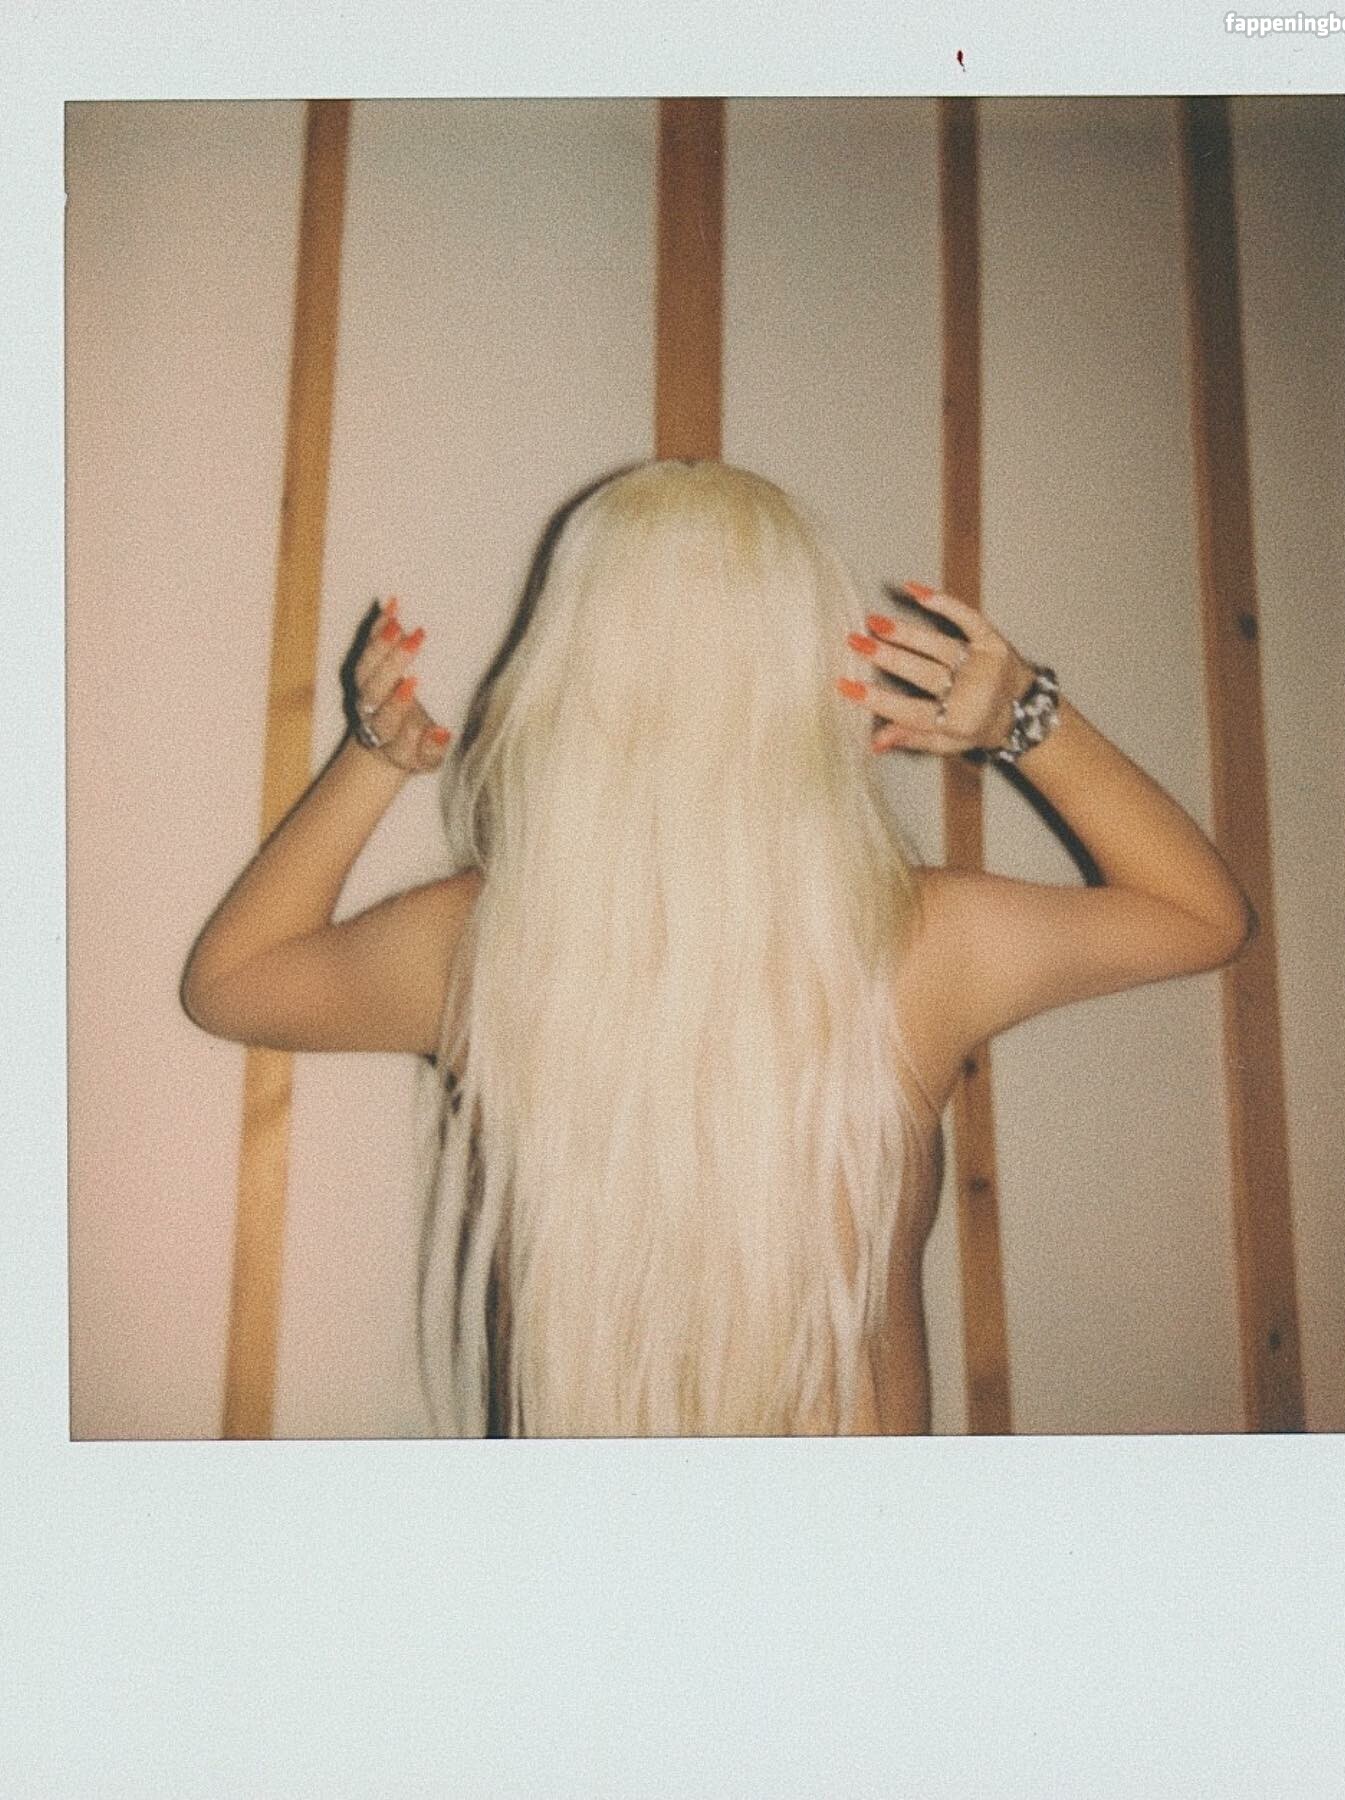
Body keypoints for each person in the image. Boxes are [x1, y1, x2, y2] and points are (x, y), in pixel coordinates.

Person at [182, 459, 1254, 1439]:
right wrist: (1028, 718)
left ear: (568, 666)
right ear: (809, 671)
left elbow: (232, 982)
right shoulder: (916, 943)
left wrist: (374, 760)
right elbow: (1201, 916)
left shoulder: (485, 947)